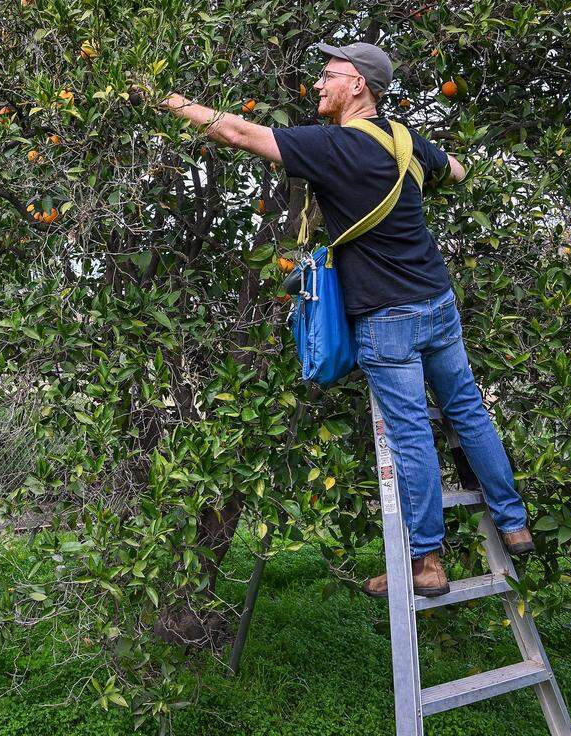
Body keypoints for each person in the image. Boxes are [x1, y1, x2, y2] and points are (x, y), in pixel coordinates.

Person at [157, 41, 534, 598]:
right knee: (469, 413)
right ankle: (514, 522)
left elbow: (237, 133)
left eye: (329, 75)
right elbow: (455, 169)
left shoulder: (335, 147)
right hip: (437, 302)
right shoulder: (404, 139)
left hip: (387, 317)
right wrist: (438, 171)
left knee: (411, 436)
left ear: (358, 84)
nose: (318, 85)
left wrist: (171, 102)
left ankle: (426, 561)